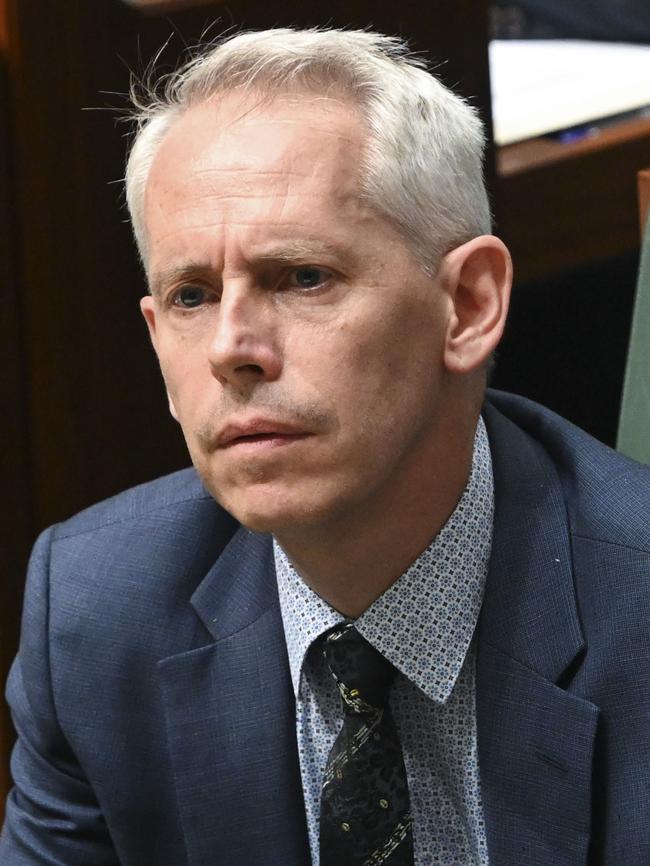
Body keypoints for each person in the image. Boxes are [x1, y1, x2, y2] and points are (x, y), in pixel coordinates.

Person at [1, 27, 649, 866]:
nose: (233, 346)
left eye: (302, 277)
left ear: (470, 305)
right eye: (192, 295)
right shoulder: (96, 613)